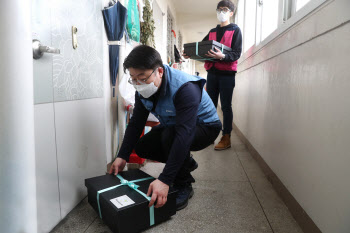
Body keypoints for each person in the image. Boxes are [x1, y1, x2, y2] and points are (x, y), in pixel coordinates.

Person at [109, 45, 222, 210]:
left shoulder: (185, 88)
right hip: (176, 126)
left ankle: (183, 183)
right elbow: (135, 124)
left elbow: (185, 134)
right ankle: (185, 161)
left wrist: (165, 180)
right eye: (133, 78)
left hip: (206, 127)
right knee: (143, 146)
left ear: (159, 71)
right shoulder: (143, 90)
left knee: (171, 137)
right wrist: (122, 156)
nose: (138, 84)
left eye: (142, 77)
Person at [184, 0, 242, 150]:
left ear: (231, 13)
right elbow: (201, 49)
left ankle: (226, 137)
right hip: (212, 74)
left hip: (227, 75)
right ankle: (208, 135)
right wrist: (190, 54)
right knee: (209, 105)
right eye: (219, 9)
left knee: (226, 106)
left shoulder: (236, 30)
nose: (221, 12)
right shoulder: (212, 32)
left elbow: (236, 53)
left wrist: (222, 57)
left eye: (224, 9)